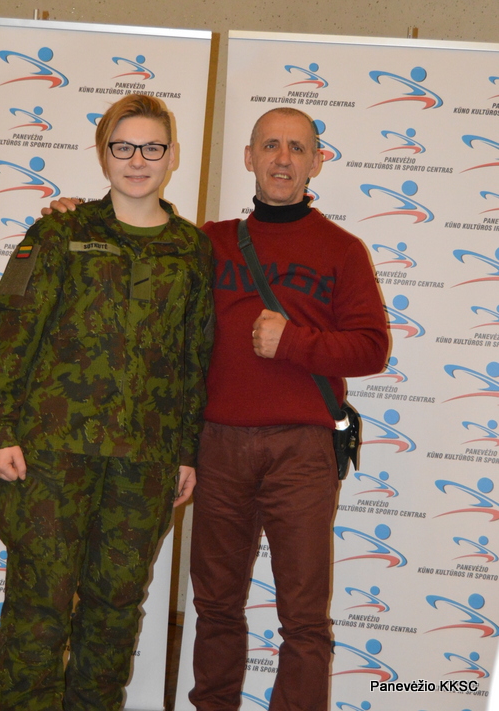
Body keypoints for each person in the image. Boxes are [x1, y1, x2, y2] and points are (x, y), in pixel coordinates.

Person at [44, 107, 389, 711]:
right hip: (219, 446)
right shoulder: (206, 242)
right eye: (270, 145)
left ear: (316, 162)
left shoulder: (343, 250)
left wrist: (295, 342)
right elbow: (135, 238)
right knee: (216, 607)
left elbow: (372, 349)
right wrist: (75, 216)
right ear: (249, 157)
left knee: (304, 620)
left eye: (298, 148)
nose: (283, 158)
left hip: (303, 451)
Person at [0, 94, 214, 711]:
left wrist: (186, 451)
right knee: (39, 606)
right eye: (123, 147)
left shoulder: (191, 249)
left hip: (144, 463)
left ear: (172, 156)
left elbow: (194, 358)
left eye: (152, 147)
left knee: (114, 610)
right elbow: (12, 332)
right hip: (51, 456)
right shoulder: (61, 231)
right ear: (103, 154)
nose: (138, 160)